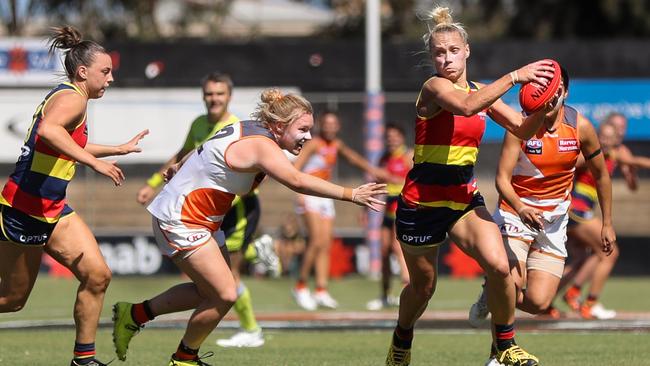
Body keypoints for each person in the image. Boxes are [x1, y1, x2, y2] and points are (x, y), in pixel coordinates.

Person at [112, 88, 387, 366]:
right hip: (181, 218)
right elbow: (296, 180)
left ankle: (134, 315)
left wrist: (178, 168)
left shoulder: (245, 126)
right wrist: (351, 194)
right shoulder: (262, 145)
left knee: (211, 292)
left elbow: (201, 149)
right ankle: (184, 360)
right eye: (303, 129)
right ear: (280, 126)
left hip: (199, 218)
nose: (309, 136)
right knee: (225, 294)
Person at [384, 6, 556, 366]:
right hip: (422, 204)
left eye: (453, 50)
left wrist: (544, 104)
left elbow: (522, 130)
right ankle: (402, 339)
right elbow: (464, 107)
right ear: (432, 58)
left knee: (500, 266)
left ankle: (505, 347)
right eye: (438, 52)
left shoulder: (481, 91)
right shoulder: (434, 87)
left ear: (467, 51)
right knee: (423, 288)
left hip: (462, 199)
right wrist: (515, 77)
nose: (446, 58)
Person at [0, 26, 147, 366]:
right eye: (105, 72)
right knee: (11, 299)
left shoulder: (73, 97)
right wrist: (95, 163)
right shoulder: (73, 97)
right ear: (83, 72)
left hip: (53, 210)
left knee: (98, 275)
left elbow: (68, 141)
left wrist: (117, 149)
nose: (110, 78)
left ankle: (84, 360)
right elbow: (48, 131)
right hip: (24, 209)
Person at [467, 68, 616, 365]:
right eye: (544, 88)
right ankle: (498, 354)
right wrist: (521, 209)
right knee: (511, 280)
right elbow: (501, 180)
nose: (550, 95)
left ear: (565, 93)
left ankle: (493, 292)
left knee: (538, 302)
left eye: (556, 89)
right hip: (515, 212)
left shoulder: (580, 126)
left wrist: (608, 223)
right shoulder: (520, 126)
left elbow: (601, 174)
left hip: (555, 220)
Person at [135, 72, 275, 347]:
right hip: (206, 211)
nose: (214, 99)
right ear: (203, 96)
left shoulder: (236, 126)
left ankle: (251, 330)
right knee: (215, 280)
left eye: (219, 94)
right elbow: (181, 154)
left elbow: (252, 181)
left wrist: (217, 204)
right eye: (209, 93)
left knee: (228, 276)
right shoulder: (199, 123)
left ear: (229, 97)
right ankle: (257, 255)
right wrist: (152, 183)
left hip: (234, 211)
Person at [291, 110, 389, 310]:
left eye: (333, 123)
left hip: (325, 197)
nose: (330, 127)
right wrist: (299, 193)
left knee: (326, 244)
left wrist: (375, 171)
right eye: (326, 123)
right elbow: (295, 168)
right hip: (309, 194)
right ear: (320, 125)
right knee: (316, 241)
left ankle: (321, 290)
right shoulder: (314, 144)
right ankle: (300, 286)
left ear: (338, 126)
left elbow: (353, 159)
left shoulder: (335, 145)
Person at [559, 116, 650, 319]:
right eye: (609, 133)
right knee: (609, 251)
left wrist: (630, 174)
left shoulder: (619, 152)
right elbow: (573, 164)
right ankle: (590, 303)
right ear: (599, 133)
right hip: (576, 208)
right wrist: (600, 152)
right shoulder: (592, 147)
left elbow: (633, 170)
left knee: (585, 257)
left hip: (584, 211)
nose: (616, 134)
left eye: (621, 128)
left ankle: (550, 301)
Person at [367, 123, 412, 311]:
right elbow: (377, 183)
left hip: (403, 206)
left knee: (397, 247)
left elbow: (415, 180)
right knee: (384, 252)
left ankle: (407, 291)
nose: (391, 140)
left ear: (402, 138)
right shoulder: (383, 158)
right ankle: (385, 295)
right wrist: (365, 209)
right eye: (388, 137)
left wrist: (397, 181)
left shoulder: (408, 156)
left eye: (395, 137)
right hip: (387, 208)